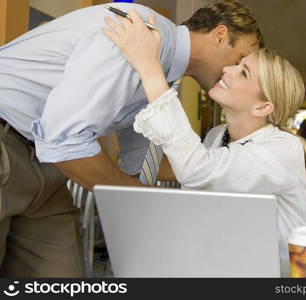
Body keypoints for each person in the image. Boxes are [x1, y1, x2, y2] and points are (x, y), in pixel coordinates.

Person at [0, 1, 262, 277]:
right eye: (240, 60)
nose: (233, 72)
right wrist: (147, 200)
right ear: (220, 36)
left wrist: (235, 170)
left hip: (44, 163)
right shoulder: (136, 32)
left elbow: (141, 163)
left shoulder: (159, 65)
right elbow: (64, 141)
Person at [102, 10, 306, 265]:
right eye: (237, 64)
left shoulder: (284, 148)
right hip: (229, 258)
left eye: (244, 72)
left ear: (262, 107)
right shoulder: (218, 136)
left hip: (281, 269)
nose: (227, 69)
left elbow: (196, 170)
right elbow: (199, 185)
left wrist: (149, 66)